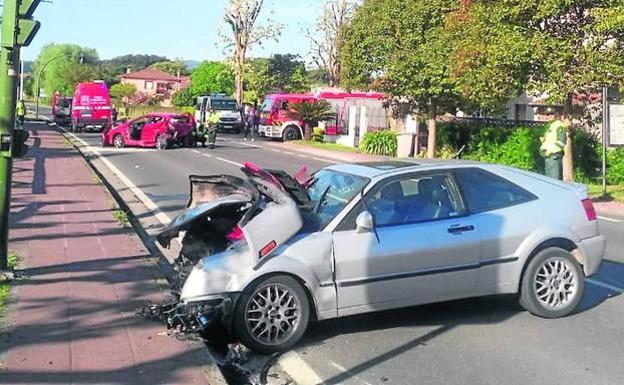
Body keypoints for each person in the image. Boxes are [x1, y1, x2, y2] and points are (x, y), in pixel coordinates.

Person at [540, 113, 568, 180]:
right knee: (549, 182)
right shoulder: (550, 126)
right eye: (547, 115)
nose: (548, 117)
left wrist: (550, 151)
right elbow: (550, 140)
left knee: (555, 181)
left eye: (551, 115)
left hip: (554, 156)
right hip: (548, 157)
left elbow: (561, 142)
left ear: (556, 116)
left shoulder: (559, 125)